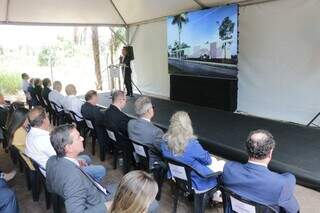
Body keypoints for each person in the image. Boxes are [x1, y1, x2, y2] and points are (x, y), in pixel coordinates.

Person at [222, 130, 300, 213]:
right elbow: (293, 210)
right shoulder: (282, 182)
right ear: (270, 153)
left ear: (247, 150)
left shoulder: (229, 168)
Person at [25, 106, 106, 181]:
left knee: (86, 158)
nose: (48, 117)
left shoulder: (30, 134)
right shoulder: (44, 139)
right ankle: (86, 185)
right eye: (47, 115)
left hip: (51, 166)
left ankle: (86, 175)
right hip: (60, 173)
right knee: (101, 170)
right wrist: (78, 163)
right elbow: (62, 159)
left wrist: (77, 161)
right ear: (44, 120)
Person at [46, 124, 111, 213]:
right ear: (68, 147)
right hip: (99, 202)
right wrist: (107, 205)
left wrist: (76, 161)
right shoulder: (74, 179)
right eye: (78, 137)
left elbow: (50, 187)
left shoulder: (51, 160)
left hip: (90, 191)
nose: (82, 138)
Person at [161, 111, 222, 192]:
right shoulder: (191, 144)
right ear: (187, 125)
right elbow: (208, 161)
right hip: (196, 180)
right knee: (220, 164)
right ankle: (217, 194)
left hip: (176, 175)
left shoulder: (164, 142)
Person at [128, 96, 163, 168]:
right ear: (148, 111)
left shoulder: (130, 123)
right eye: (152, 107)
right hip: (152, 163)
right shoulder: (156, 131)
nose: (153, 109)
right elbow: (163, 151)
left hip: (138, 157)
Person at [81, 90, 108, 161]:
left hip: (92, 129)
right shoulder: (94, 110)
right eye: (96, 97)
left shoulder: (83, 107)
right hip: (99, 130)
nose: (97, 99)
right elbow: (103, 121)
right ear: (93, 98)